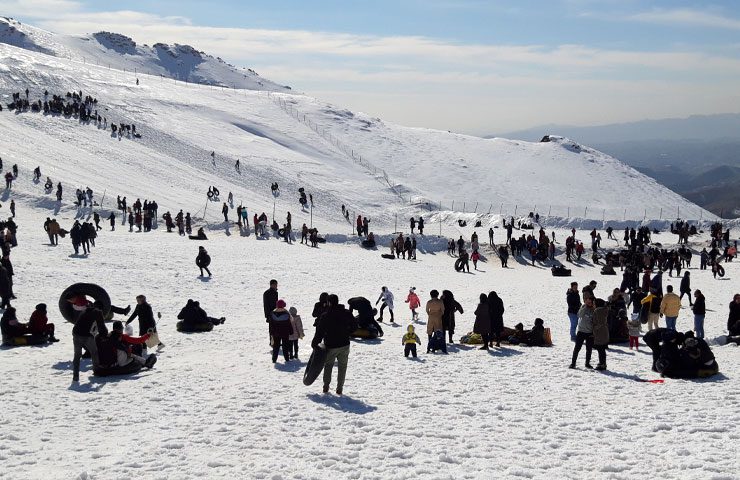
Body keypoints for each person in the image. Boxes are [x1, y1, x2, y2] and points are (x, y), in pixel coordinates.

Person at [311, 294, 352, 395]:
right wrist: (346, 332)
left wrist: (315, 343)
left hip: (331, 345)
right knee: (343, 367)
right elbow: (354, 326)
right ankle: (339, 389)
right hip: (344, 344)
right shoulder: (346, 313)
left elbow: (319, 332)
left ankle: (326, 387)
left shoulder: (326, 315)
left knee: (328, 366)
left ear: (329, 302)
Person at [70, 296, 107, 382]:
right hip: (86, 335)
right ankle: (97, 371)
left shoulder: (85, 310)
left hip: (75, 333)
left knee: (77, 355)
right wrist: (104, 336)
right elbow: (102, 327)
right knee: (94, 352)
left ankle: (75, 376)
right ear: (101, 308)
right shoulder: (98, 312)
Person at [570, 296, 595, 369]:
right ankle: (573, 363)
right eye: (588, 301)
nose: (589, 303)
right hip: (581, 331)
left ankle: (587, 363)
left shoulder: (594, 310)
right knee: (577, 348)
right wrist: (585, 307)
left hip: (590, 333)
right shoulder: (583, 307)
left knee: (589, 349)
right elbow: (579, 315)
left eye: (590, 302)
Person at [592, 299, 609, 370]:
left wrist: (595, 327)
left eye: (594, 303)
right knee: (602, 349)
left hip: (600, 332)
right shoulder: (605, 310)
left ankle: (602, 364)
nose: (593, 305)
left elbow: (599, 322)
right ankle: (602, 363)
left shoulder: (598, 311)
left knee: (600, 349)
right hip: (604, 331)